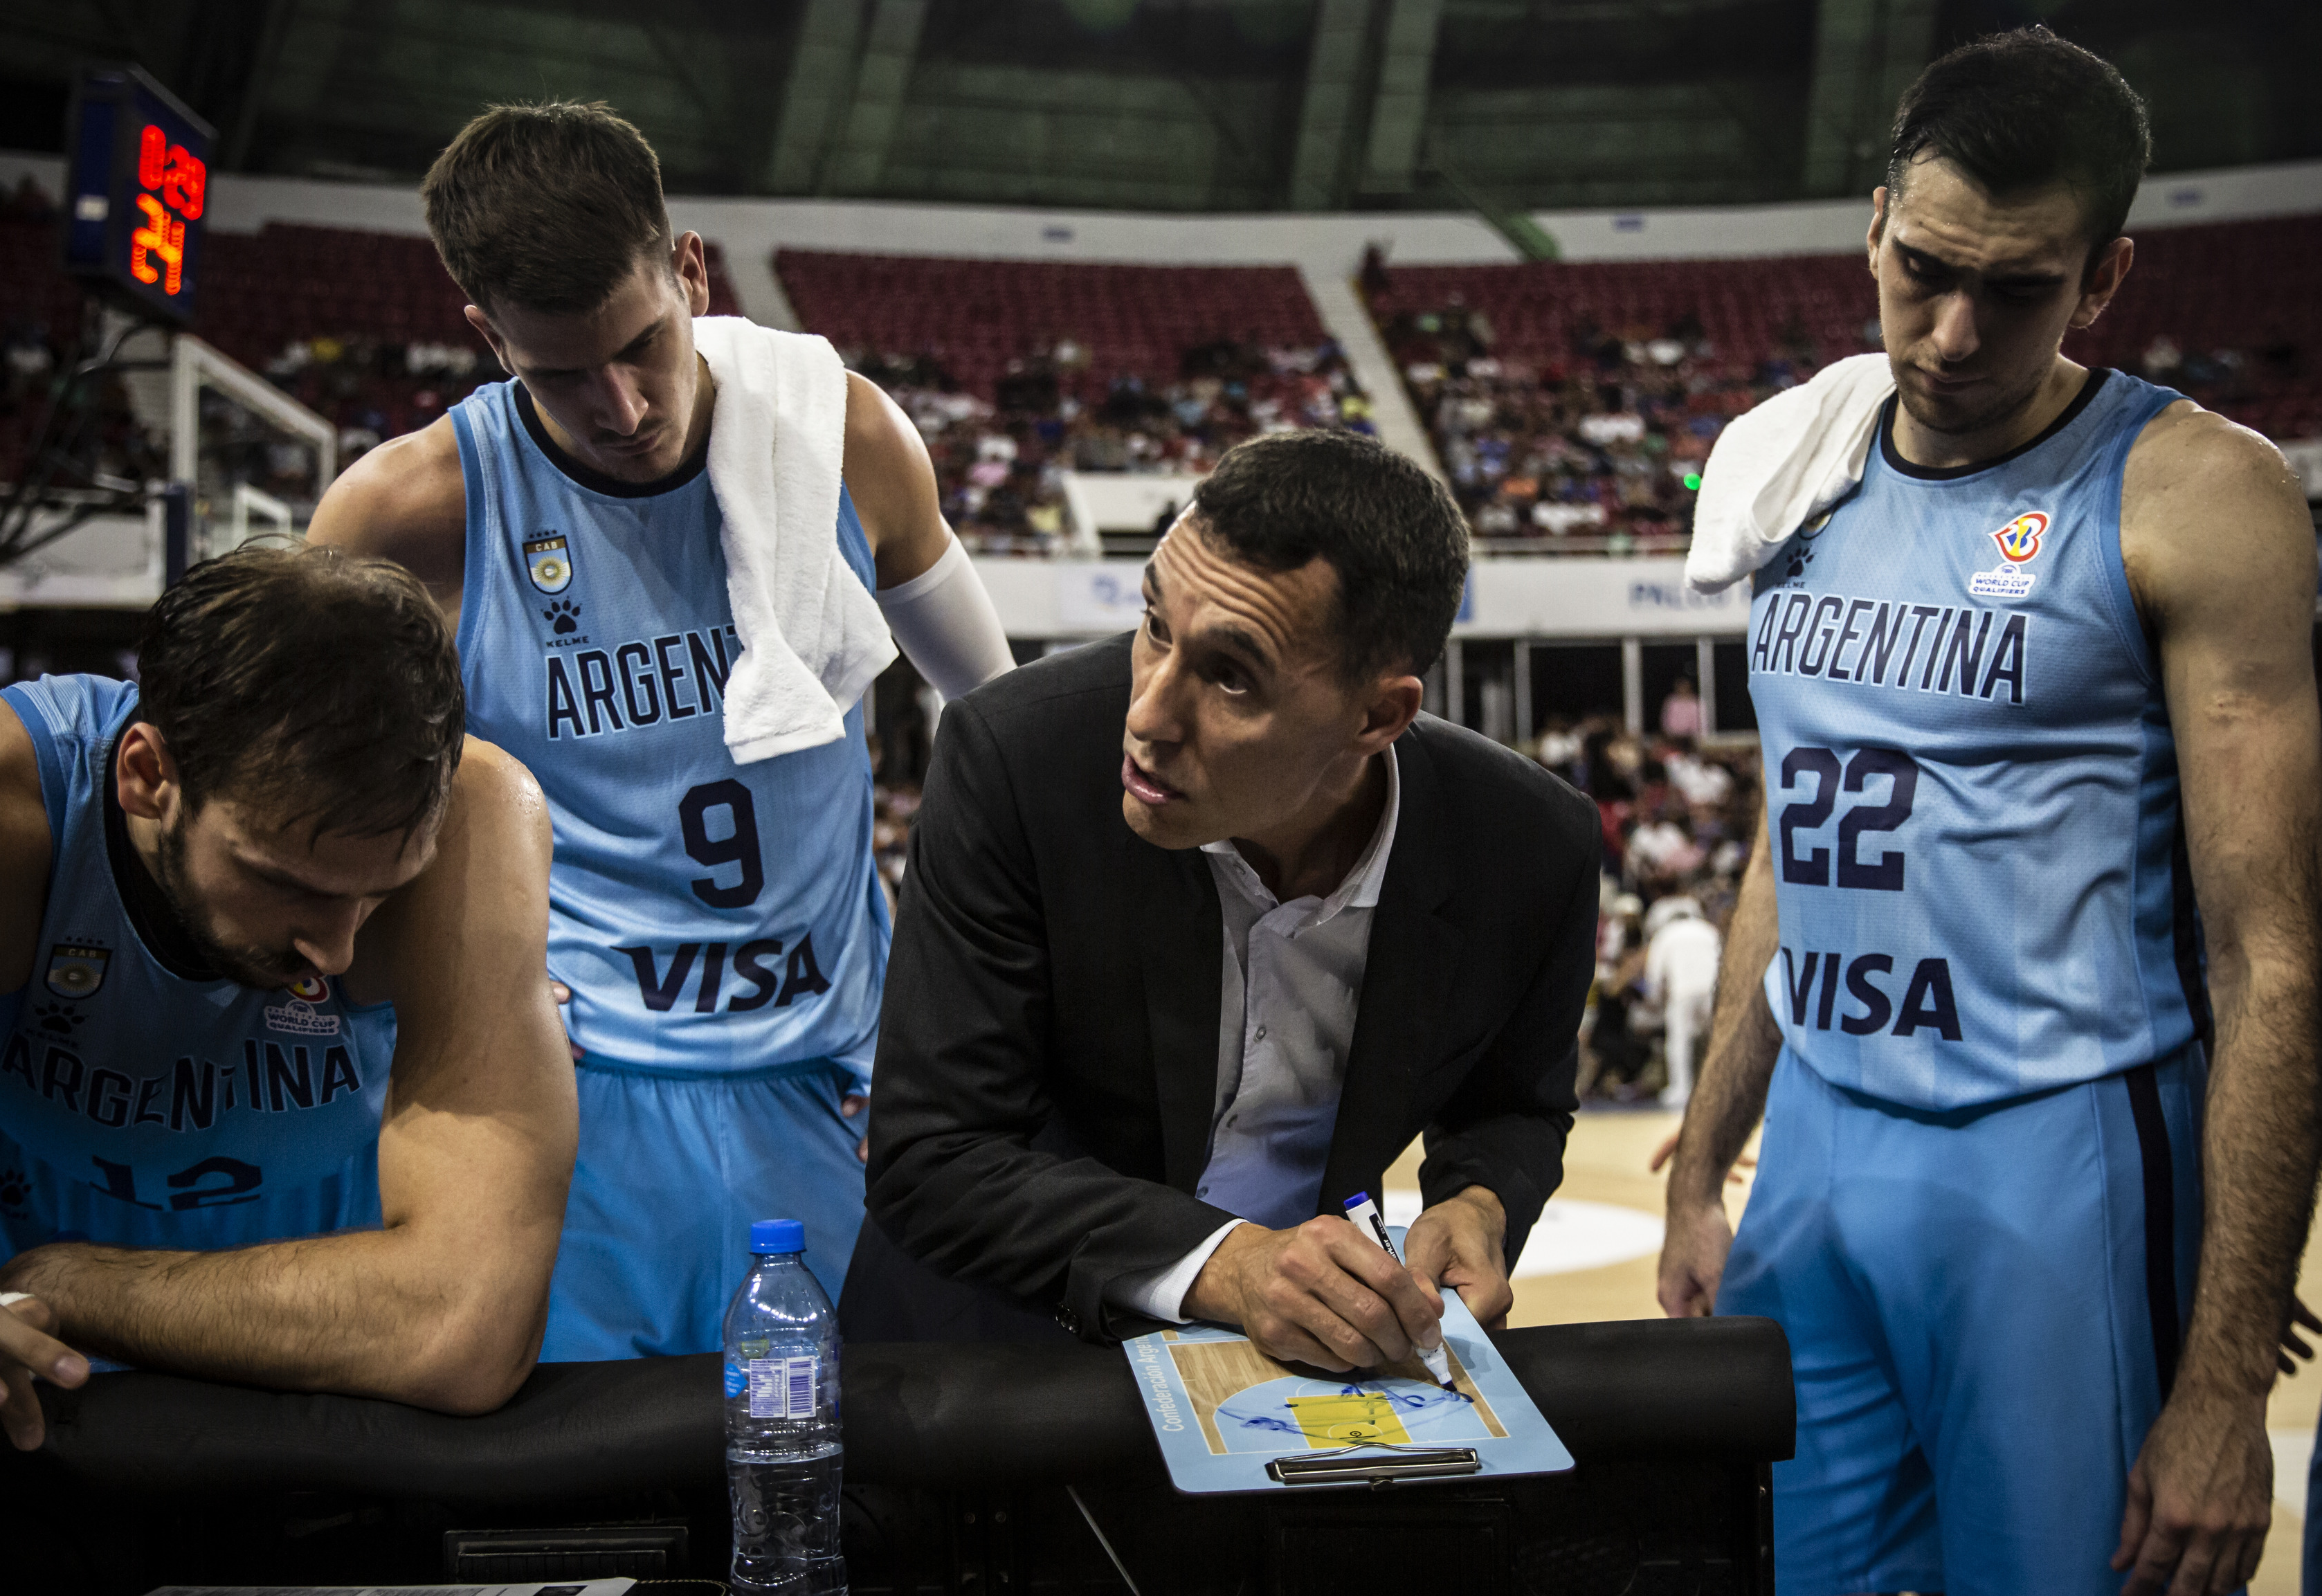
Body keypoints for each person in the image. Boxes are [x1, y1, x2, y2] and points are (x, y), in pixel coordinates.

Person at [1656, 30, 2321, 1596]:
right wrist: (1701, 1158)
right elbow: (1791, 843)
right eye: (1925, 269)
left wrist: (2225, 1377)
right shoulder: (1791, 468)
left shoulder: (2196, 494)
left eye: (2016, 289)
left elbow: (2274, 955)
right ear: (1875, 223)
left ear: (2103, 279)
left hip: (2059, 1148)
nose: (1951, 332)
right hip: (1817, 1145)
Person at [309, 102, 1014, 1360]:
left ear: (691, 270)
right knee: (590, 1504)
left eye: (644, 344)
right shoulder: (406, 514)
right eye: (560, 374)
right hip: (571, 1090)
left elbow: (1005, 718)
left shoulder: (846, 437)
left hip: (833, 1069)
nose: (623, 405)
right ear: (485, 337)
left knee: (858, 1498)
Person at [842, 430, 1601, 1366]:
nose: (1148, 714)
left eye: (1232, 675)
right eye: (1155, 625)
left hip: (1292, 1377)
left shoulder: (1530, 844)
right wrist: (1229, 1264)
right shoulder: (1014, 758)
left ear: (1378, 717)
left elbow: (1515, 1105)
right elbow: (933, 1158)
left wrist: (1478, 1201)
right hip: (989, 1368)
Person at [0, 545, 574, 1424]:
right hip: (15, 1319)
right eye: (288, 883)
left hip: (321, 1293)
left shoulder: (479, 818)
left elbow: (461, 1330)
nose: (332, 953)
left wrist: (53, 1281)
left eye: (381, 890)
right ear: (148, 776)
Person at [1640, 894, 1721, 1108]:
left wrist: (1654, 1000)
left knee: (1679, 1042)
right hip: (1712, 990)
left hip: (1683, 991)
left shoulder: (1665, 935)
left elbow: (1654, 977)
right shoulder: (1708, 930)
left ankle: (1681, 1090)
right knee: (1715, 1041)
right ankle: (1718, 1087)